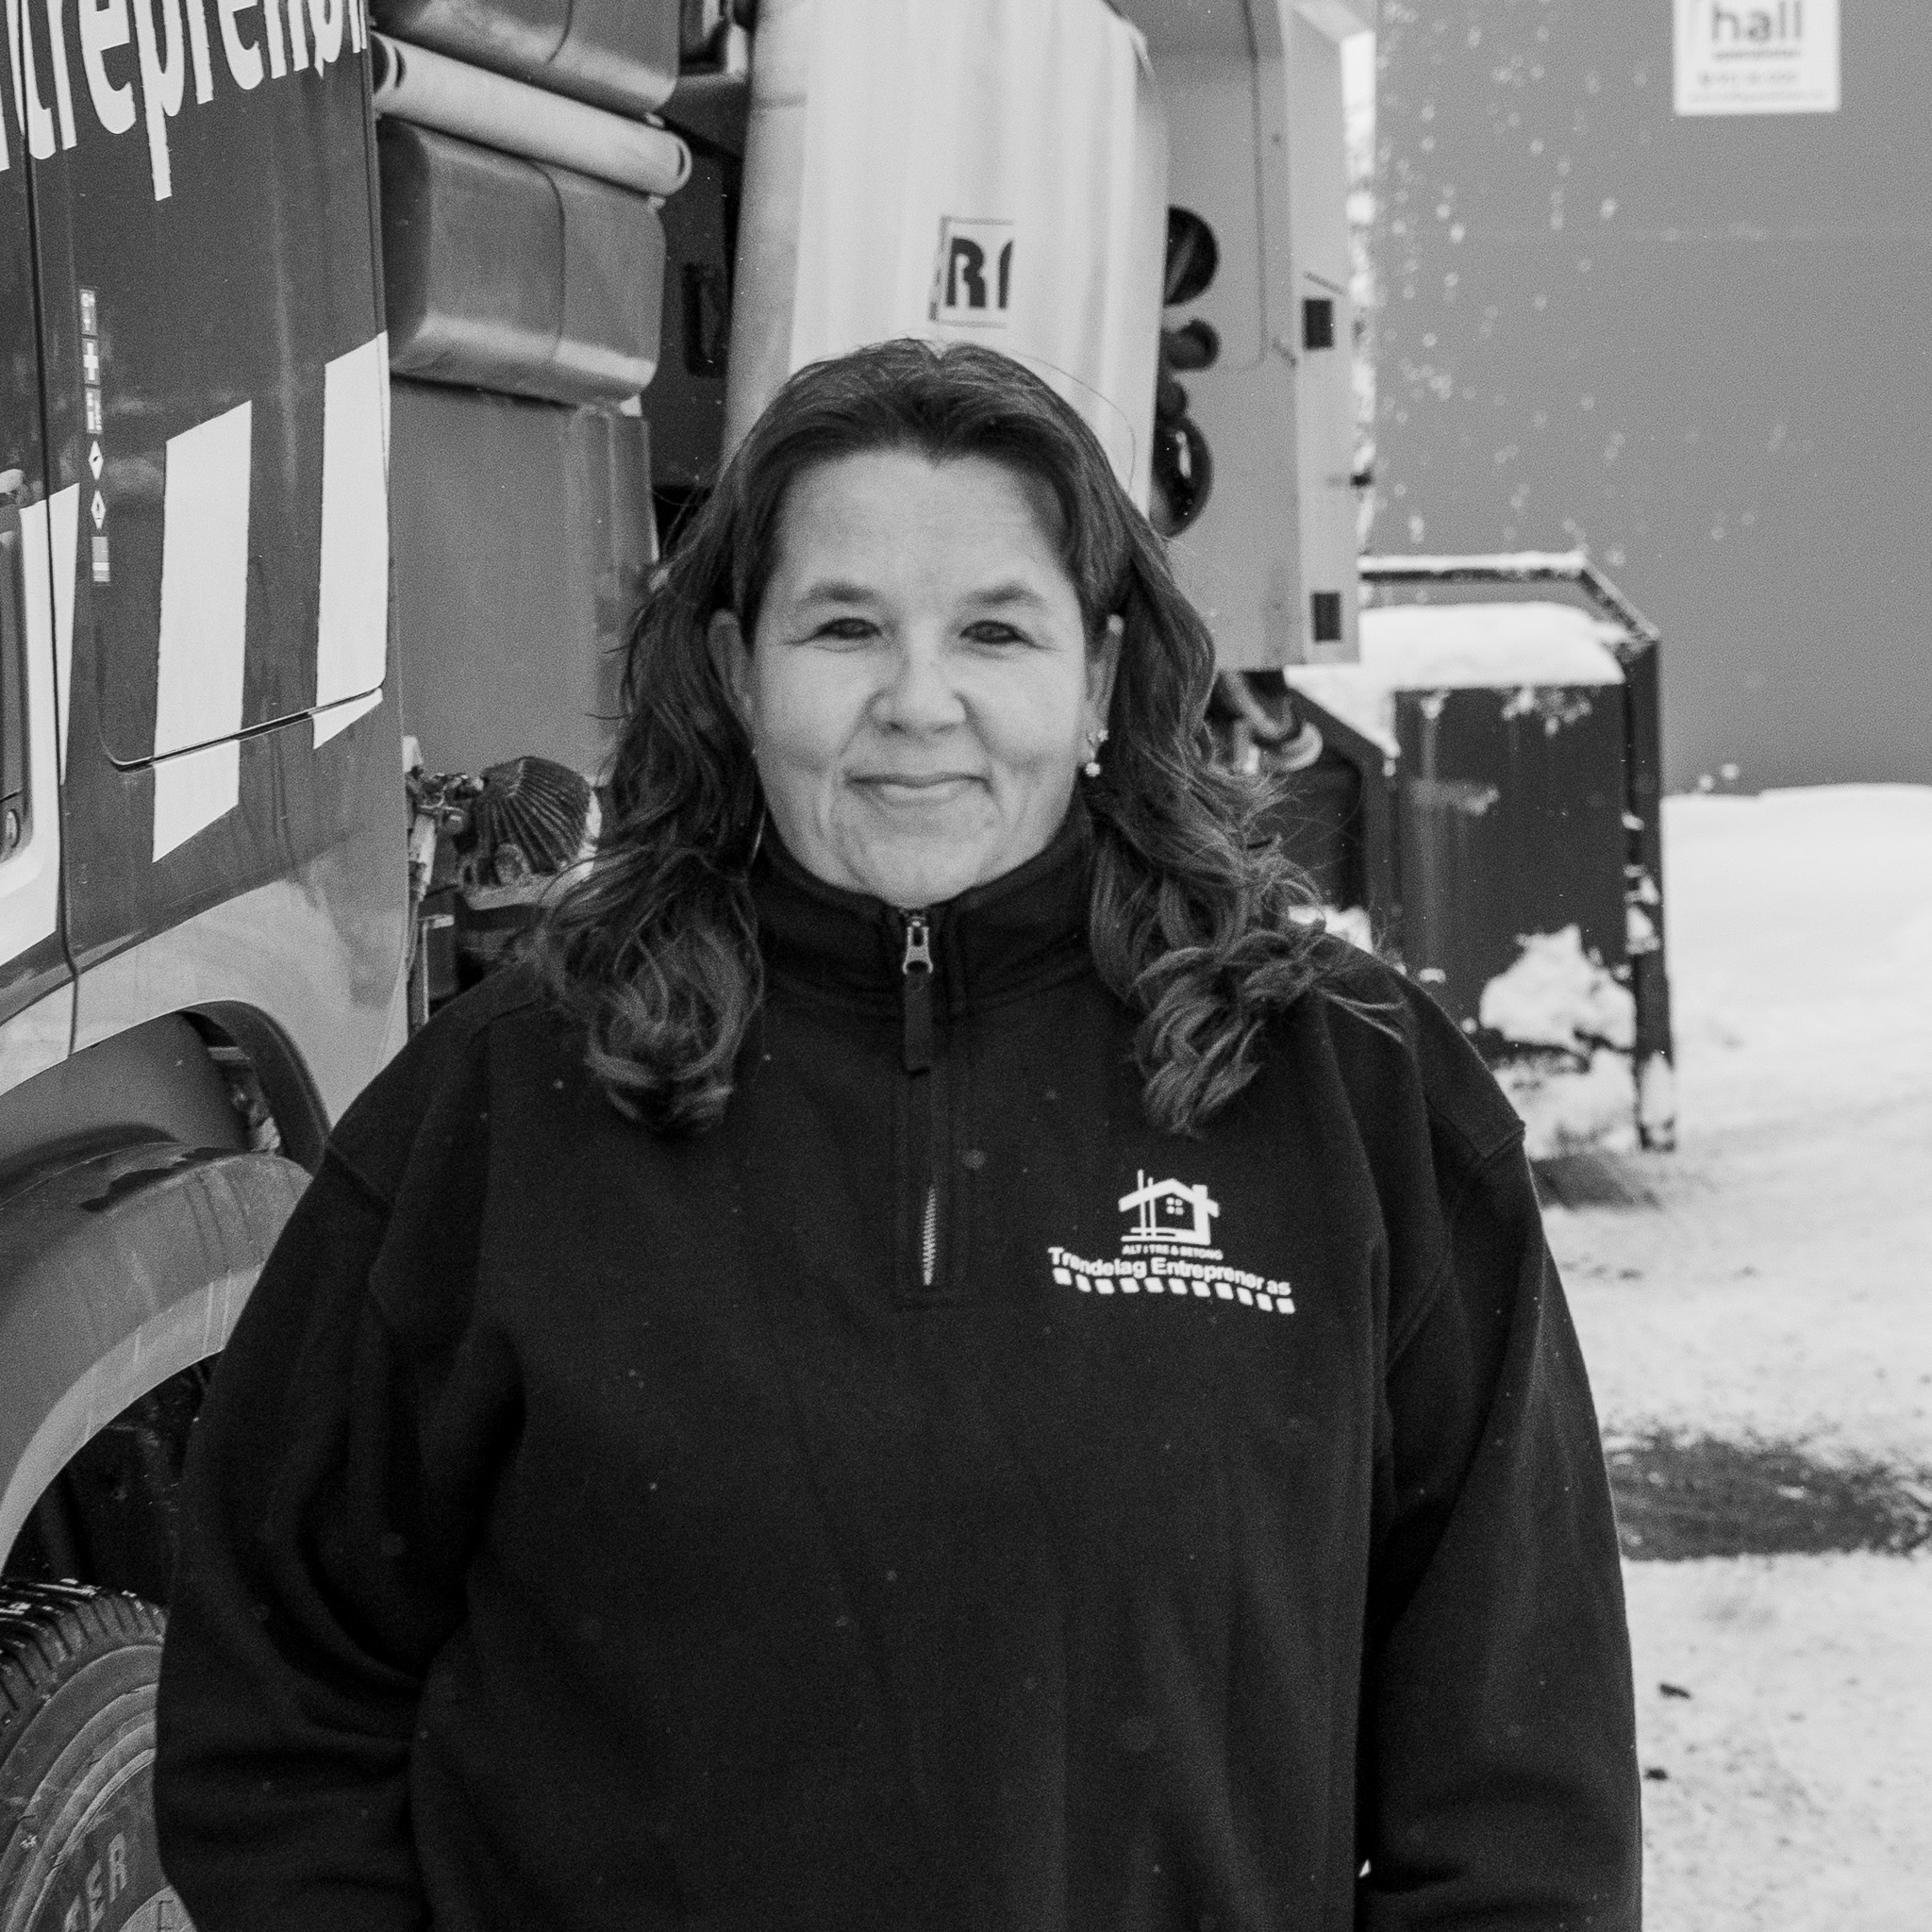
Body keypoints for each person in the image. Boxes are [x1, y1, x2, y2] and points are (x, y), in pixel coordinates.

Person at [154, 339, 1640, 1931]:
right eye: (844, 626)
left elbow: (1516, 1782)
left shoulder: (1351, 1100)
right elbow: (278, 1711)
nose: (918, 703)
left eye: (995, 630)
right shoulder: (510, 1104)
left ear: (1099, 676)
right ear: (737, 670)